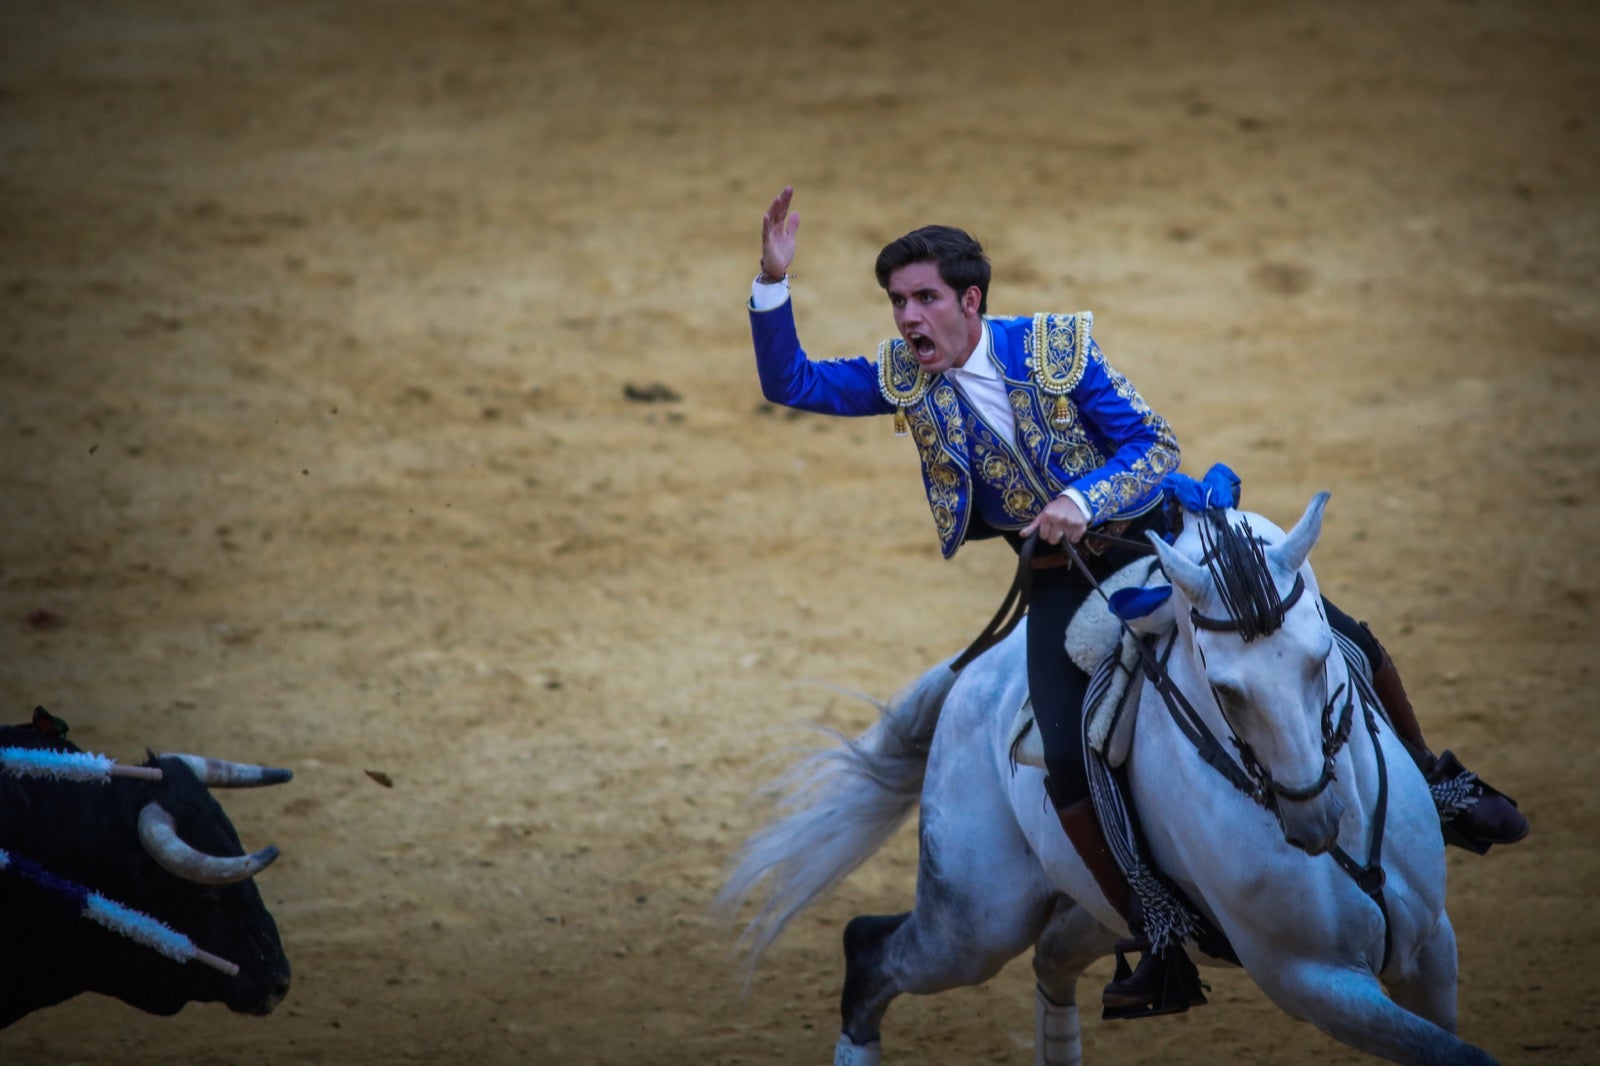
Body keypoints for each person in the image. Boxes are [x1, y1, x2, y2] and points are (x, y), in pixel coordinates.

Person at [746, 186, 1527, 1015]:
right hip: (1062, 585)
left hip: (1165, 534)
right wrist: (772, 280)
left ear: (970, 300)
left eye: (925, 298)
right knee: (1064, 753)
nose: (908, 317)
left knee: (1340, 637)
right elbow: (790, 381)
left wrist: (1082, 501)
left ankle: (1435, 783)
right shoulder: (906, 377)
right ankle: (1153, 920)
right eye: (898, 301)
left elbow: (1154, 442)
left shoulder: (1056, 348)